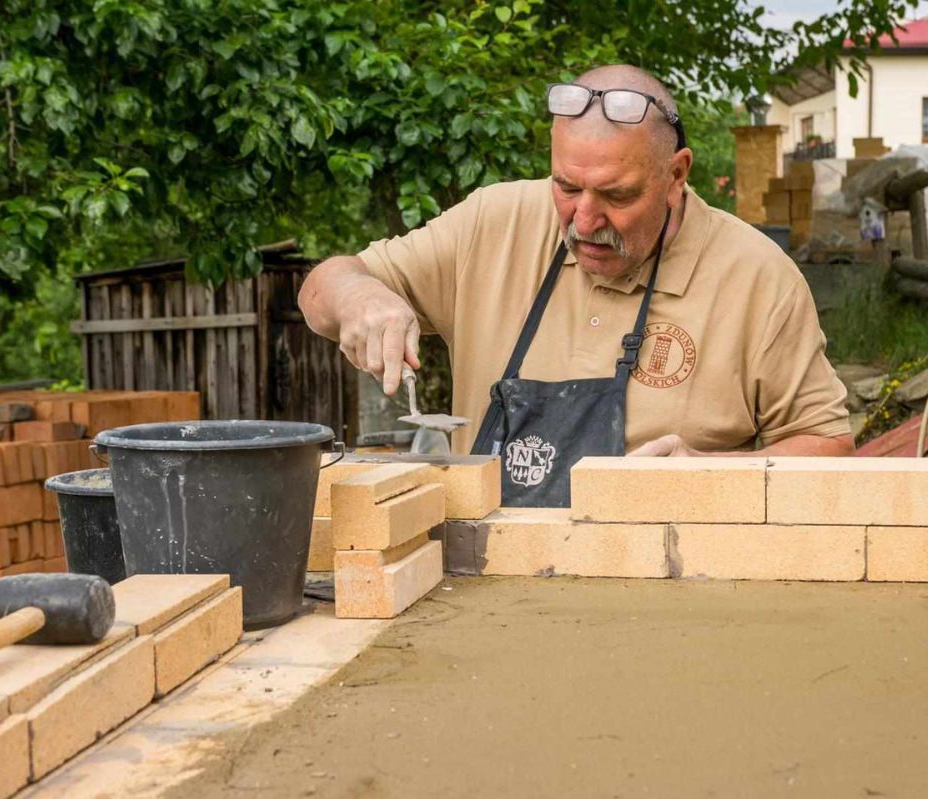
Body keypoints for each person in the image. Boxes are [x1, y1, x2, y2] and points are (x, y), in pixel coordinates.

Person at [299, 64, 854, 507]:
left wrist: (709, 472)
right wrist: (360, 296)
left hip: (666, 596)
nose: (583, 221)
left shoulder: (756, 277)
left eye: (616, 196)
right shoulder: (494, 222)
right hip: (483, 590)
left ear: (676, 175)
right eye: (566, 187)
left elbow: (831, 448)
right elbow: (321, 289)